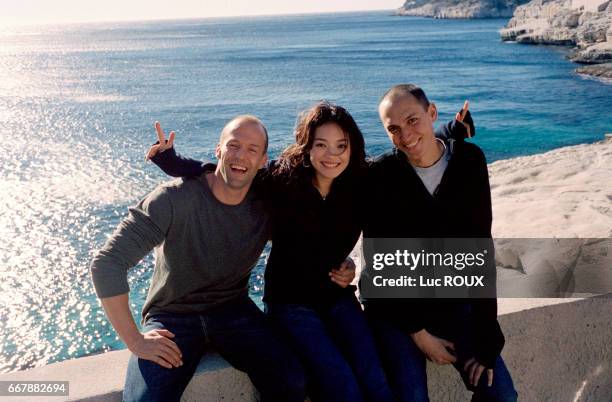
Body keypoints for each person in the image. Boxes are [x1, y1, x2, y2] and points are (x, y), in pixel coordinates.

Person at [147, 101, 470, 402]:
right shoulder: (282, 181)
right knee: (341, 386)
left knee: (376, 381)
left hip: (338, 298)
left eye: (341, 146)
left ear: (352, 148)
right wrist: (171, 161)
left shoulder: (360, 182)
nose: (332, 155)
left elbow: (404, 152)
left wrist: (451, 130)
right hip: (291, 304)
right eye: (321, 145)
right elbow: (228, 170)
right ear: (307, 146)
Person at [90, 115, 307, 402]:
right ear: (218, 150)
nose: (241, 155)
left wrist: (344, 263)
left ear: (264, 160)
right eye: (234, 145)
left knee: (292, 381)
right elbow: (107, 264)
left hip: (234, 311)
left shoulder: (266, 206)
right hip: (172, 315)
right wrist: (135, 340)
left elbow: (306, 240)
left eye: (253, 149)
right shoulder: (172, 199)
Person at [362, 84, 518, 402]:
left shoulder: (469, 162)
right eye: (393, 128)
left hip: (452, 303)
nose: (405, 135)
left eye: (413, 120)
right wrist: (419, 334)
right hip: (395, 309)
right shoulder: (380, 175)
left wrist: (487, 339)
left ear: (432, 113)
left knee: (501, 393)